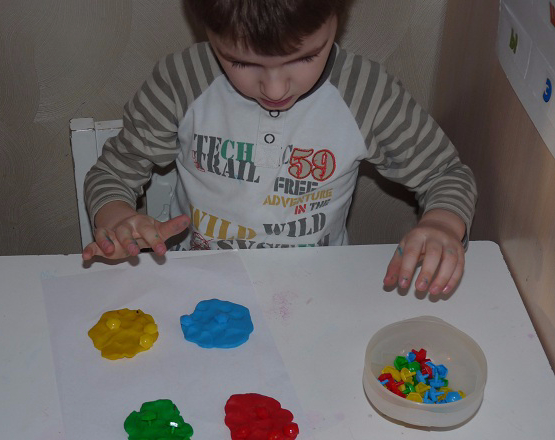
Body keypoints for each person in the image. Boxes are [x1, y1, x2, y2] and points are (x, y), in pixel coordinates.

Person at [83, 0, 477, 296]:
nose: (275, 89)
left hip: (318, 289)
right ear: (208, 31)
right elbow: (112, 173)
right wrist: (117, 218)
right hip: (195, 283)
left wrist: (442, 225)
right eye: (240, 62)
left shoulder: (367, 94)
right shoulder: (181, 81)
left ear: (337, 18)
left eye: (305, 57)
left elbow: (445, 175)